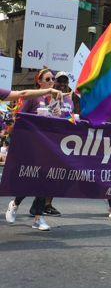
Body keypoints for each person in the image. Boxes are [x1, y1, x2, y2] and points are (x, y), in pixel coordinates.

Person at [5, 68, 67, 231]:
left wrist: (58, 115)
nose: (51, 81)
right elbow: (19, 118)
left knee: (44, 181)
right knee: (30, 179)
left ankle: (38, 219)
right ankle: (14, 204)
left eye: (52, 79)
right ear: (39, 81)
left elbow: (58, 123)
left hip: (47, 146)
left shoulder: (55, 98)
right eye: (48, 79)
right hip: (31, 145)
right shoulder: (33, 97)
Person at [39, 71, 75, 217]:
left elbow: (70, 119)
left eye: (65, 81)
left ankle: (47, 204)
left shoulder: (70, 101)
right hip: (46, 140)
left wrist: (69, 119)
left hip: (62, 142)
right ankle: (18, 203)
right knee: (41, 175)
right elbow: (42, 113)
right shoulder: (48, 97)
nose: (62, 84)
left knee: (56, 174)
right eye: (59, 81)